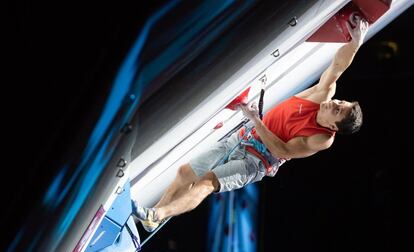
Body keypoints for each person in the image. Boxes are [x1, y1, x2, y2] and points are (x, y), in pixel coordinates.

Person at [132, 17, 369, 232]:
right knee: (185, 172)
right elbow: (337, 67)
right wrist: (355, 44)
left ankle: (158, 213)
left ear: (334, 127)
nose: (334, 103)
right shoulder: (323, 95)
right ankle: (153, 218)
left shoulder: (322, 139)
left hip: (256, 161)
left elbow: (281, 150)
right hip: (246, 136)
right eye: (340, 101)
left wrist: (255, 119)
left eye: (337, 110)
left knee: (207, 182)